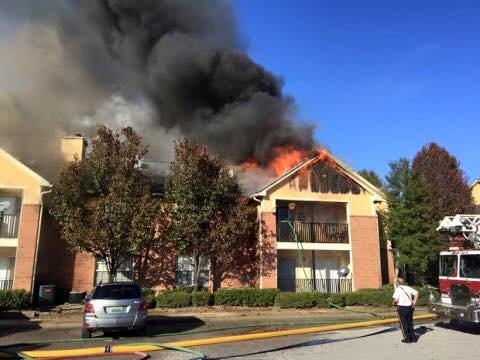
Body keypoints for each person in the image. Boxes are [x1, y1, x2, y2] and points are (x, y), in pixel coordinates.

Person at [392, 277, 418, 343]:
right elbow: (416, 292)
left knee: (403, 324)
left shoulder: (398, 289)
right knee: (410, 322)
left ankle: (407, 339)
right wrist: (414, 300)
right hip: (410, 307)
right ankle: (413, 338)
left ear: (397, 283)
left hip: (401, 308)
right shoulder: (408, 288)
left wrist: (393, 302)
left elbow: (396, 299)